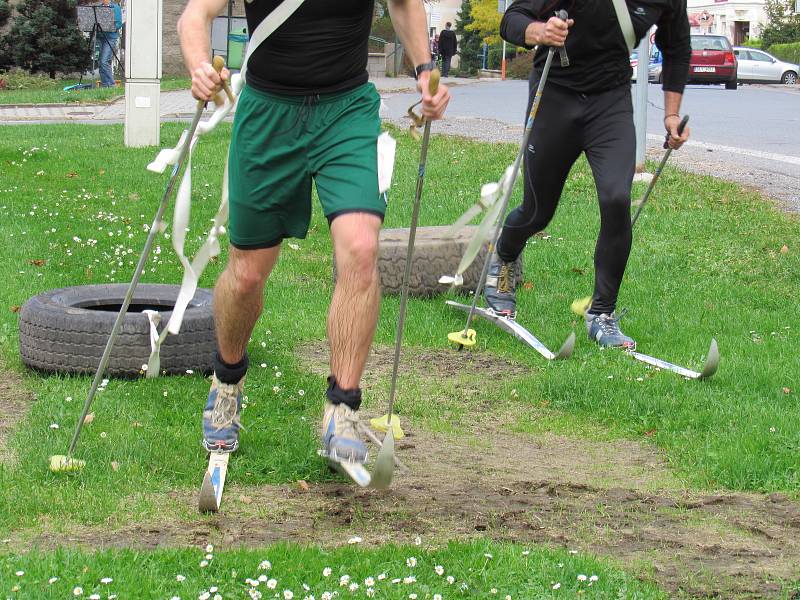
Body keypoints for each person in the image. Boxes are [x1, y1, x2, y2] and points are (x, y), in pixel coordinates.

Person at [177, 0, 450, 466]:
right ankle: (227, 382)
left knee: (361, 248)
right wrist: (201, 66)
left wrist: (425, 67)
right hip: (268, 113)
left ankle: (342, 410)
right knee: (247, 274)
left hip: (346, 111)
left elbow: (405, 4)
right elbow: (194, 15)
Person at [484, 2, 691, 349]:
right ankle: (505, 256)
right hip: (555, 95)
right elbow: (513, 18)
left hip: (610, 101)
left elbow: (677, 48)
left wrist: (672, 116)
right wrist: (540, 31)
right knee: (537, 212)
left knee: (616, 198)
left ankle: (602, 315)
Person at [96, 0, 123, 88]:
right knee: (101, 62)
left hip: (110, 37)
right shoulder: (98, 7)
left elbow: (118, 24)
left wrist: (109, 26)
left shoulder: (115, 8)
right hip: (100, 37)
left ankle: (111, 84)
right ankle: (105, 84)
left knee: (104, 61)